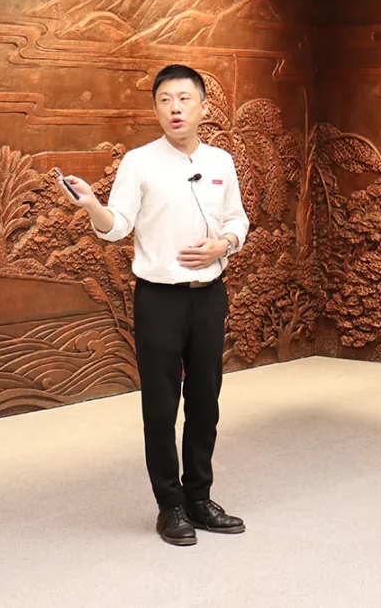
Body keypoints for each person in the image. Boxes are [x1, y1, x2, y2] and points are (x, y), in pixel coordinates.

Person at [57, 64, 250, 547]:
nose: (175, 108)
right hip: (159, 299)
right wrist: (92, 204)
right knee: (161, 408)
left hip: (209, 297)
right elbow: (117, 225)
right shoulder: (138, 162)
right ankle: (170, 506)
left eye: (184, 99)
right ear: (156, 109)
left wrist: (223, 244)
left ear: (203, 107)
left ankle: (200, 498)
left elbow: (238, 220)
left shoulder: (221, 161)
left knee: (205, 402)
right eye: (165, 100)